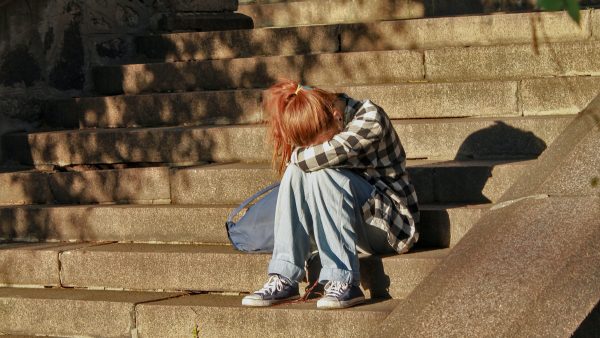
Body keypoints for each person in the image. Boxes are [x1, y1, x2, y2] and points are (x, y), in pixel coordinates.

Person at [241, 80, 419, 309]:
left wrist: (297, 156)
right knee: (301, 171)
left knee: (318, 170)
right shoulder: (327, 113)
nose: (316, 148)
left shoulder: (370, 119)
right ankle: (284, 275)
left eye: (321, 142)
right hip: (355, 224)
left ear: (336, 115)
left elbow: (313, 157)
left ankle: (343, 281)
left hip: (392, 227)